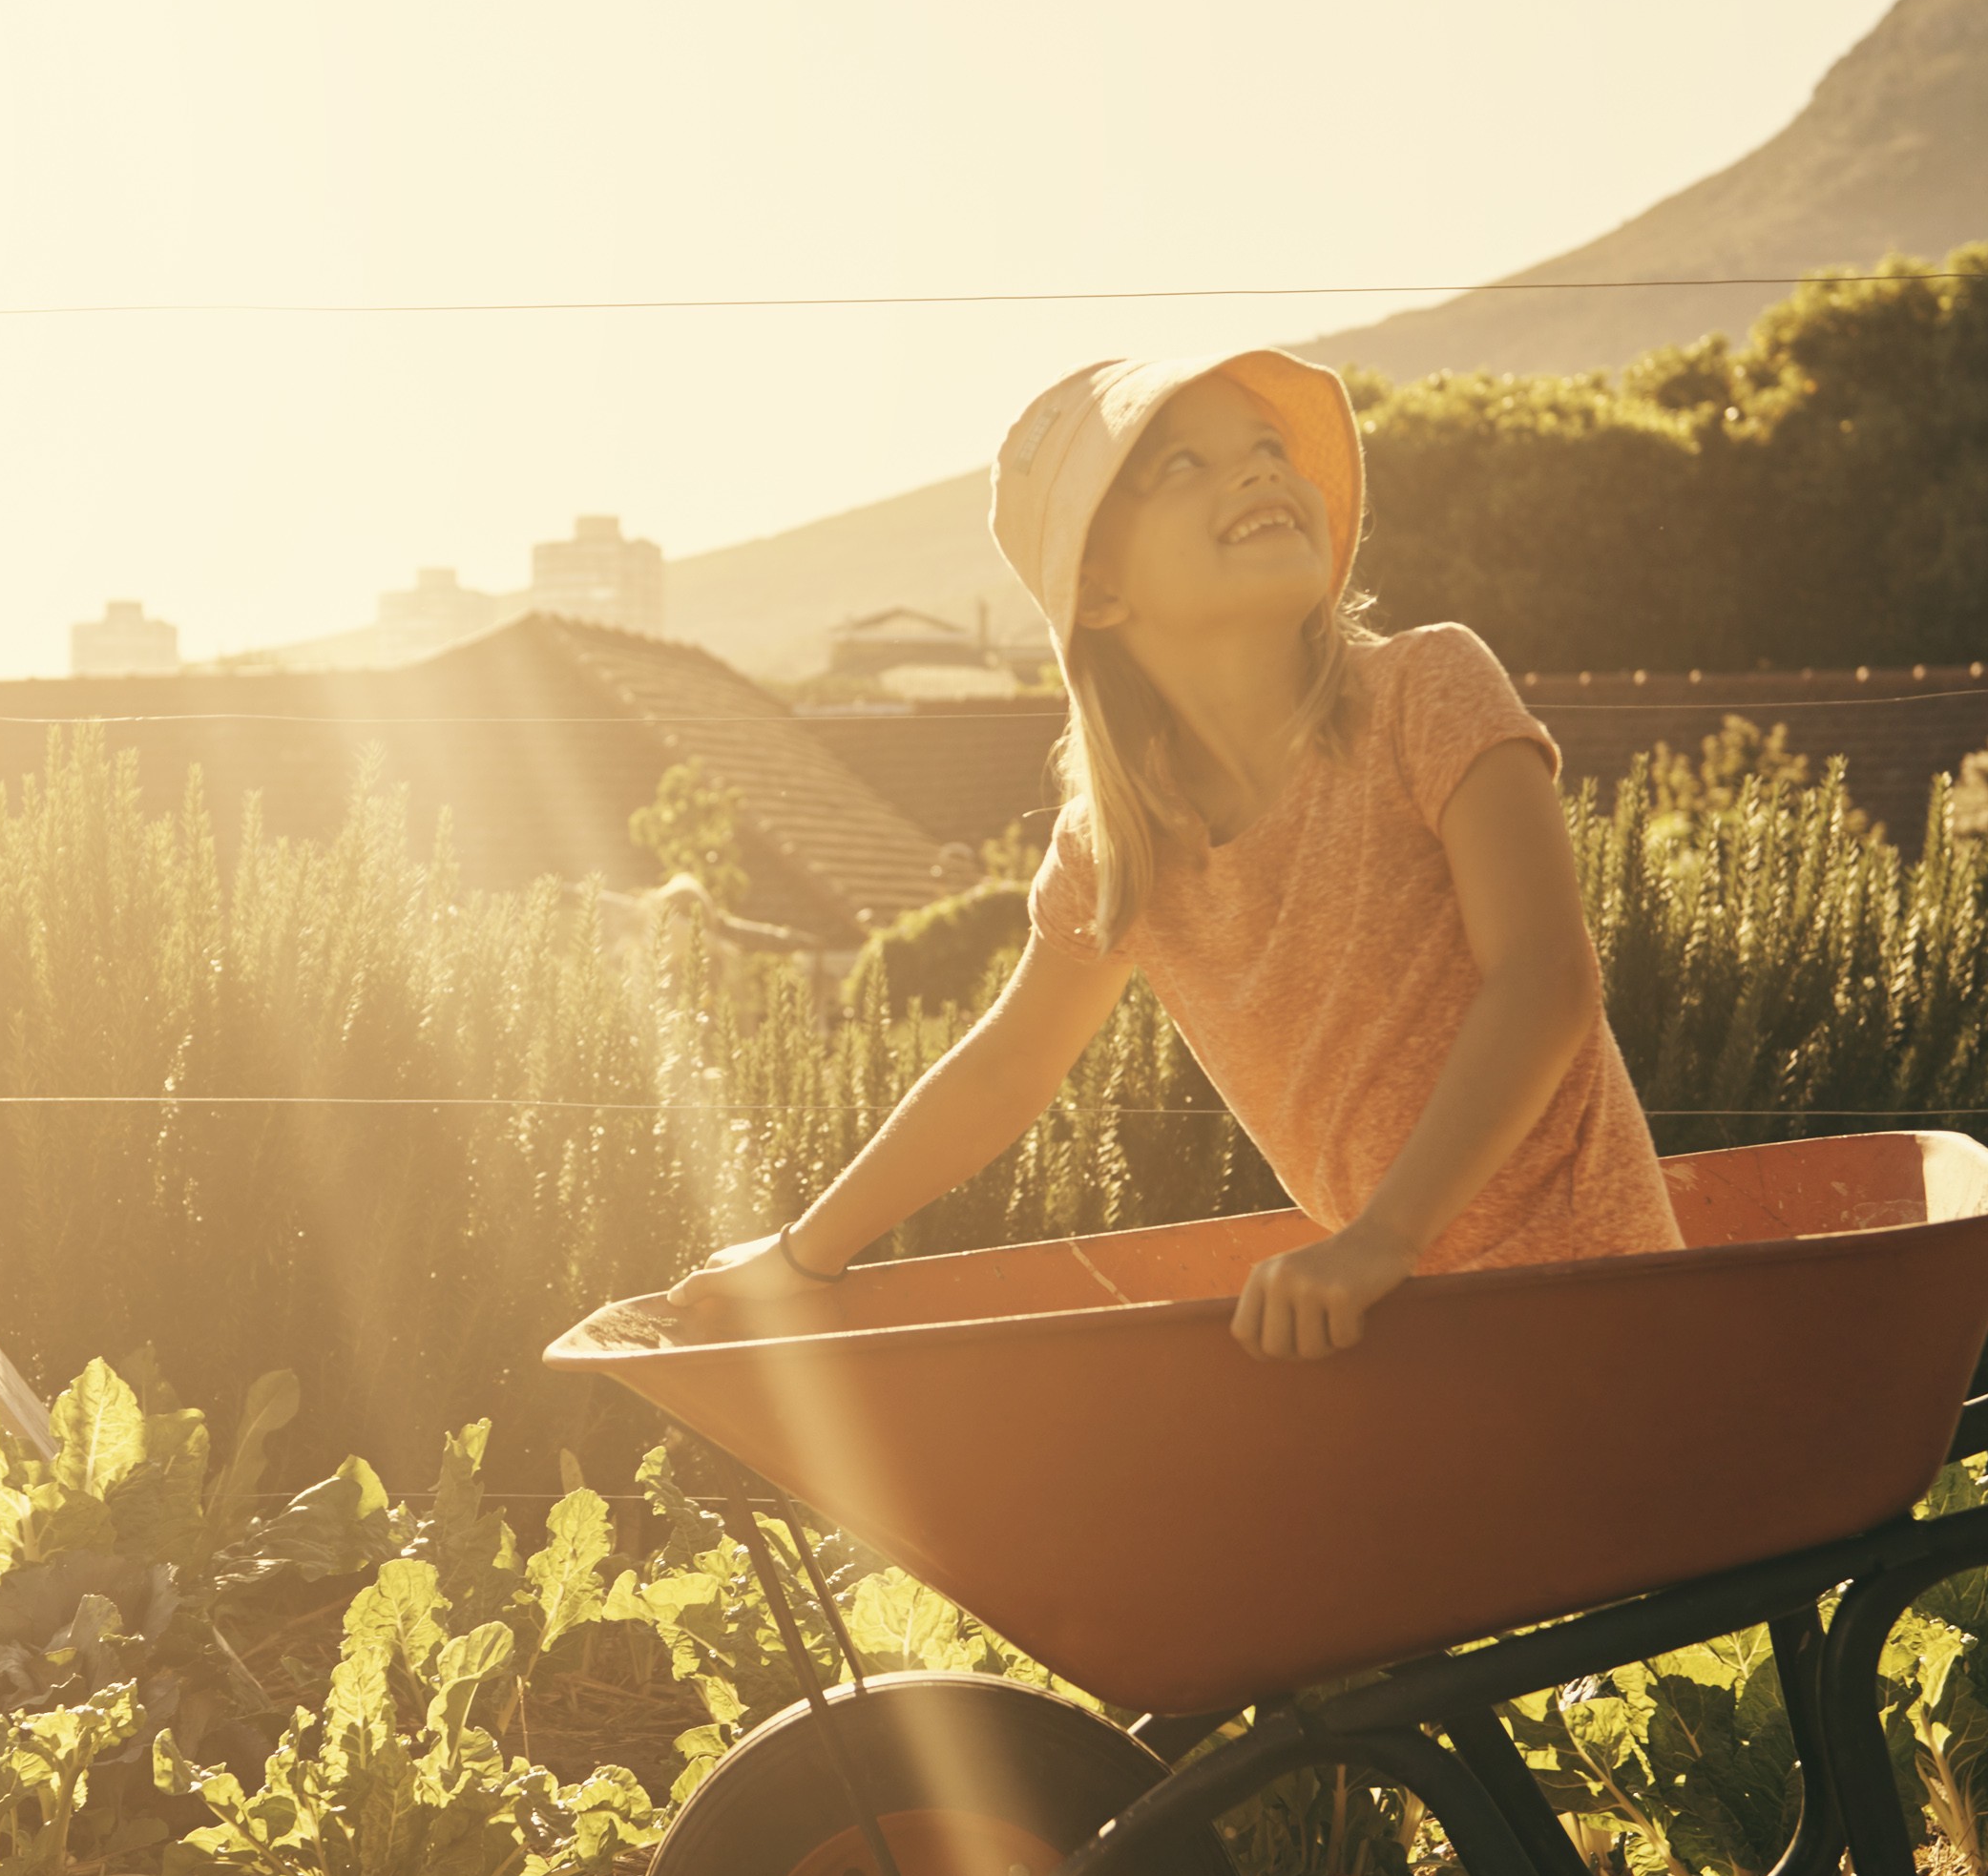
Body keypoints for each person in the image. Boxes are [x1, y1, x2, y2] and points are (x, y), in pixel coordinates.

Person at [676, 349, 1678, 1353]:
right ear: (1099, 591)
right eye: (1182, 466)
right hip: (1396, 1331)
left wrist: (1382, 1237)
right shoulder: (1118, 847)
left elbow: (1543, 979)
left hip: (1590, 1304)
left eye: (1268, 447)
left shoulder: (1426, 690)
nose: (1255, 472)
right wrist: (802, 1257)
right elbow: (1008, 1069)